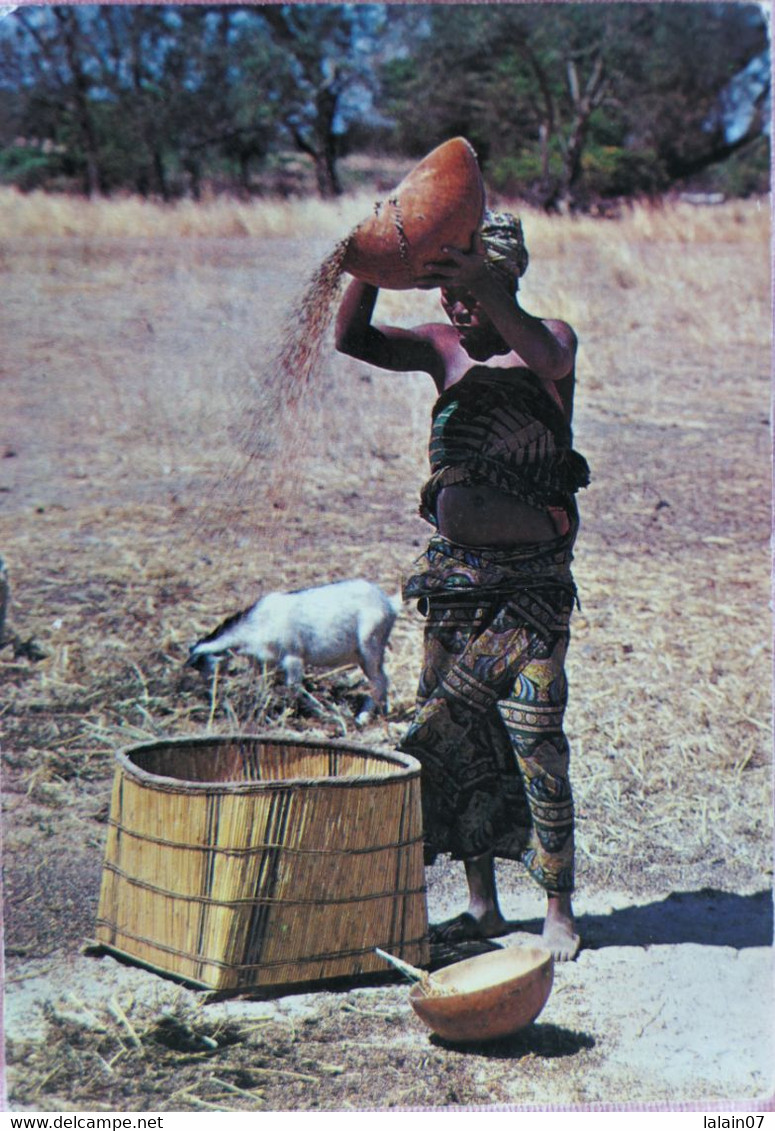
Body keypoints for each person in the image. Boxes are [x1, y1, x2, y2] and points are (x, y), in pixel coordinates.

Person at [335, 211, 590, 961]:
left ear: (504, 278)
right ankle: (481, 905)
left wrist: (484, 282)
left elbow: (541, 353)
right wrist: (364, 263)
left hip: (531, 588)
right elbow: (352, 339)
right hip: (454, 583)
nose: (457, 308)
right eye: (446, 292)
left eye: (470, 292)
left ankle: (558, 908)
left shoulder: (551, 342)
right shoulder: (439, 348)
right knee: (458, 733)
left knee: (535, 733)